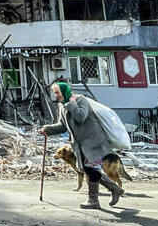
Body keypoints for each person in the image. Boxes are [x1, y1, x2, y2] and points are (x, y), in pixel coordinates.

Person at [39, 81, 124, 209]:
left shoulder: (80, 100)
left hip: (93, 142)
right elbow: (63, 126)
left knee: (91, 169)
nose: (56, 95)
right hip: (81, 145)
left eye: (57, 92)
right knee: (88, 169)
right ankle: (114, 189)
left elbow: (81, 116)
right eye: (54, 93)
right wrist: (47, 129)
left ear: (64, 91)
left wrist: (71, 104)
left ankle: (94, 200)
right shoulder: (62, 106)